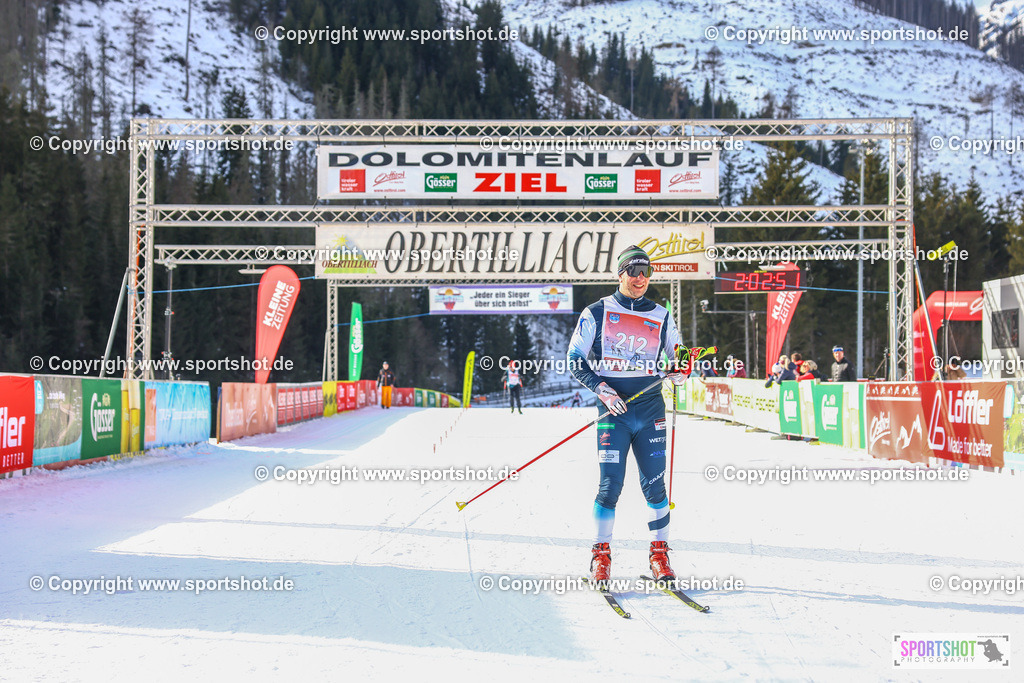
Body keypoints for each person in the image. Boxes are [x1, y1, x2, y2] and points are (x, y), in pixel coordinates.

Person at [567, 245, 688, 584]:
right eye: (633, 271)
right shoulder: (596, 312)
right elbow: (574, 358)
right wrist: (601, 387)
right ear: (619, 274)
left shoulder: (662, 315)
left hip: (650, 410)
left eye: (646, 272)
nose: (640, 278)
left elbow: (677, 358)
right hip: (613, 411)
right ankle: (601, 555)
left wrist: (680, 371)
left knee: (655, 486)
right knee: (610, 486)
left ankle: (659, 554)